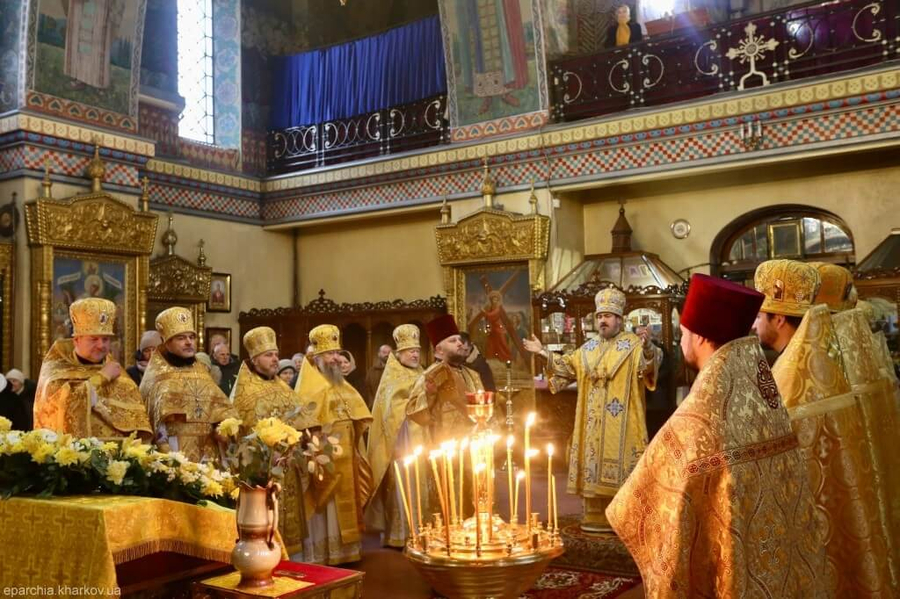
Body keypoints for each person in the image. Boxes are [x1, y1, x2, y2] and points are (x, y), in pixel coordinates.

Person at [607, 274, 829, 597]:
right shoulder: (760, 395)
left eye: (683, 334)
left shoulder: (700, 415)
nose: (680, 342)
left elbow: (642, 501)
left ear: (699, 336)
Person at [755, 259, 896, 594]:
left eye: (759, 314)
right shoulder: (835, 365)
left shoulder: (796, 379)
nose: (753, 323)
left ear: (779, 317)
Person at [522, 287, 661, 532]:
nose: (602, 321)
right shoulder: (588, 348)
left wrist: (649, 347)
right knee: (593, 462)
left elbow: (649, 364)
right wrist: (543, 351)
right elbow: (566, 366)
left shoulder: (632, 345)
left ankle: (624, 517)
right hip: (592, 422)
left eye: (607, 316)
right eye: (599, 316)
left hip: (624, 420)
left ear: (619, 319)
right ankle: (595, 516)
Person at [231, 326, 317, 556]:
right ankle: (263, 555)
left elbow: (301, 421)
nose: (275, 359)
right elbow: (240, 432)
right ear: (255, 359)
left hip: (289, 467)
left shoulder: (283, 387)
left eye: (276, 354)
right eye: (269, 355)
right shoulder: (245, 391)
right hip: (262, 470)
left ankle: (292, 559)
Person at [294, 324, 373, 565]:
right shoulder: (310, 387)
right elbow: (304, 424)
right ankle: (325, 552)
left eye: (337, 352)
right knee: (325, 503)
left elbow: (358, 416)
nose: (336, 358)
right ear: (316, 357)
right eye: (330, 354)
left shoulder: (342, 384)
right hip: (324, 455)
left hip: (347, 453)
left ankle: (346, 551)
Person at [33, 298, 152, 439]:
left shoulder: (119, 373)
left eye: (105, 339)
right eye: (94, 339)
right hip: (71, 450)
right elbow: (56, 410)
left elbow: (138, 425)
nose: (101, 345)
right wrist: (102, 377)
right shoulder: (56, 369)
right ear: (76, 340)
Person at [140, 307, 237, 462]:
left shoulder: (202, 373)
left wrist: (223, 428)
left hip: (208, 456)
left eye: (191, 337)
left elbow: (223, 410)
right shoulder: (156, 376)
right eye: (181, 338)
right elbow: (152, 422)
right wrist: (168, 457)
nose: (188, 342)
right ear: (167, 342)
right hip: (174, 455)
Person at [365, 325, 425, 547]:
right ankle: (400, 534)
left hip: (421, 440)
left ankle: (422, 529)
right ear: (399, 354)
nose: (415, 355)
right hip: (401, 442)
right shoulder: (392, 376)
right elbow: (391, 410)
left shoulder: (421, 372)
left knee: (421, 484)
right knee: (402, 485)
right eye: (410, 351)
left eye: (417, 350)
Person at [407, 315, 485, 446]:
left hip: (474, 445)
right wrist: (429, 395)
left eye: (459, 340)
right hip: (445, 448)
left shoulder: (472, 375)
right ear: (439, 350)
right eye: (453, 341)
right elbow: (415, 416)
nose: (460, 343)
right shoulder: (429, 376)